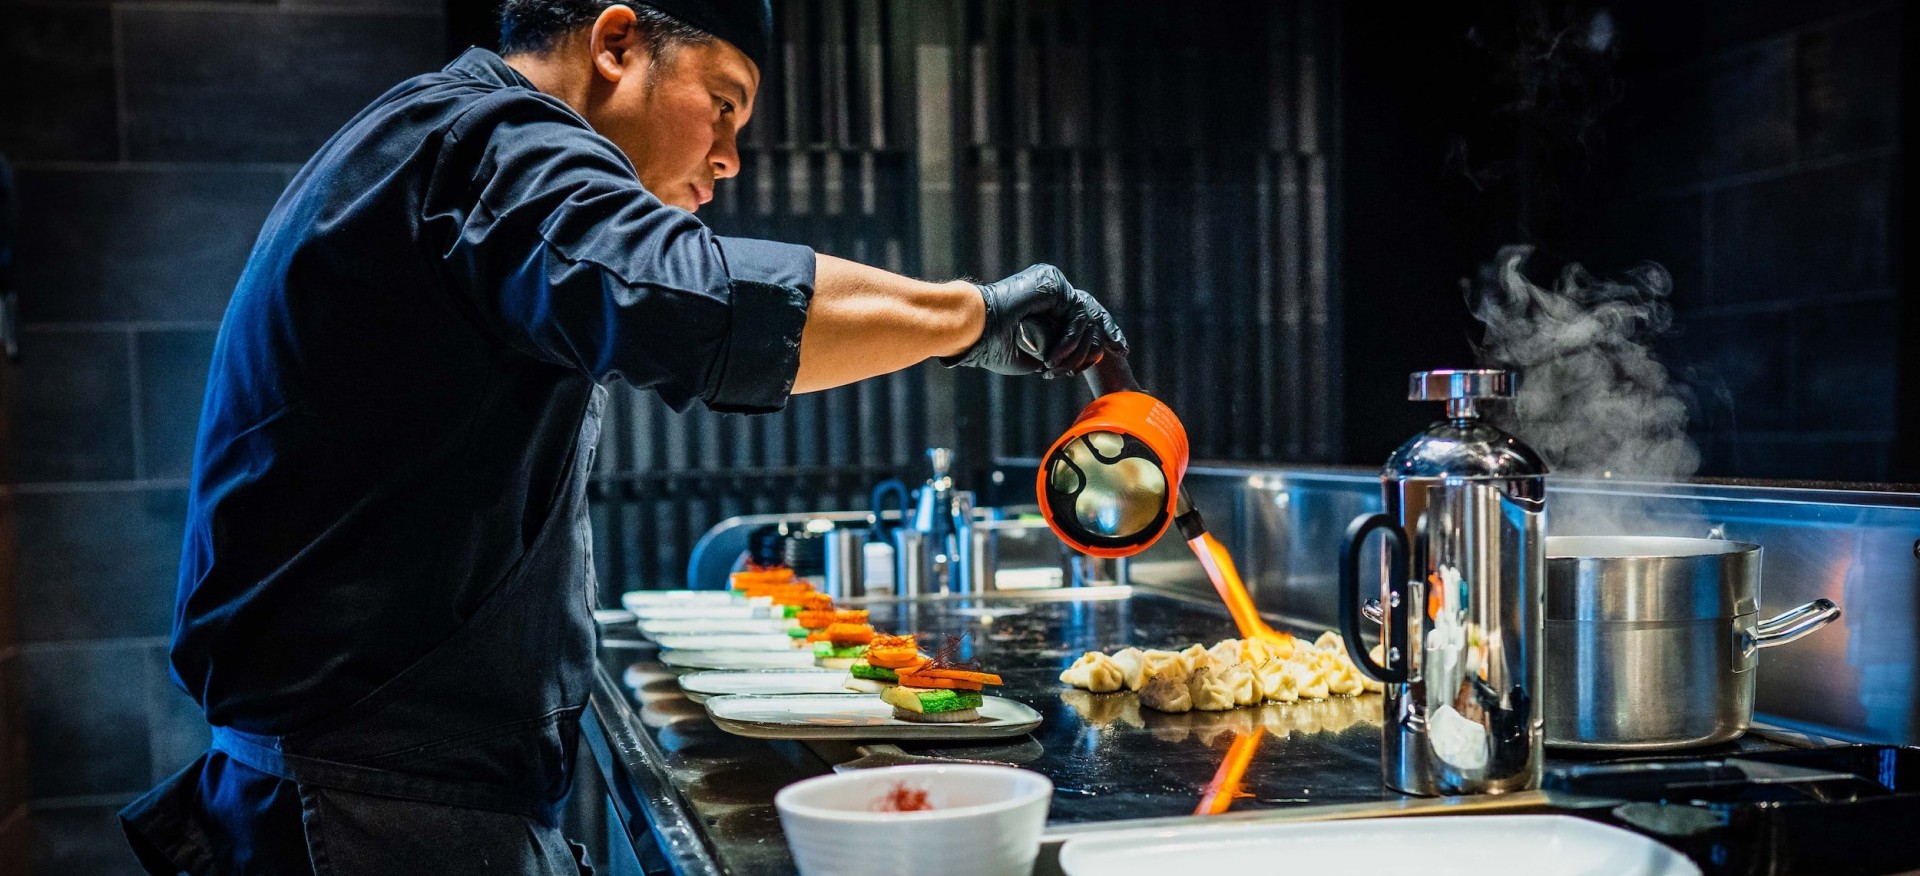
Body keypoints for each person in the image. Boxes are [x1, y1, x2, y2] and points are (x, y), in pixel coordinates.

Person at [118, 1, 1126, 873]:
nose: (730, 154)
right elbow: (698, 303)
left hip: (362, 792)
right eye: (723, 102)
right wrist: (973, 316)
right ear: (615, 47)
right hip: (368, 813)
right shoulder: (492, 142)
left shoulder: (429, 138)